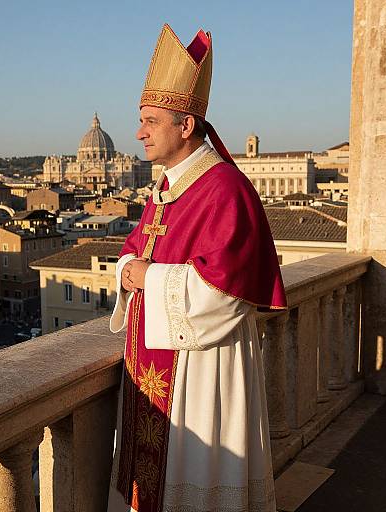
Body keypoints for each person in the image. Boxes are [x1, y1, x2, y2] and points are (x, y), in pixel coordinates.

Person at [108, 23, 286, 512]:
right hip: (153, 367)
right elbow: (132, 248)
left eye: (150, 121)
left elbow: (225, 294)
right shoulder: (165, 185)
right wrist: (128, 269)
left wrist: (148, 277)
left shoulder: (223, 188)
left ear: (185, 126)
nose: (139, 131)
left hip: (203, 367)